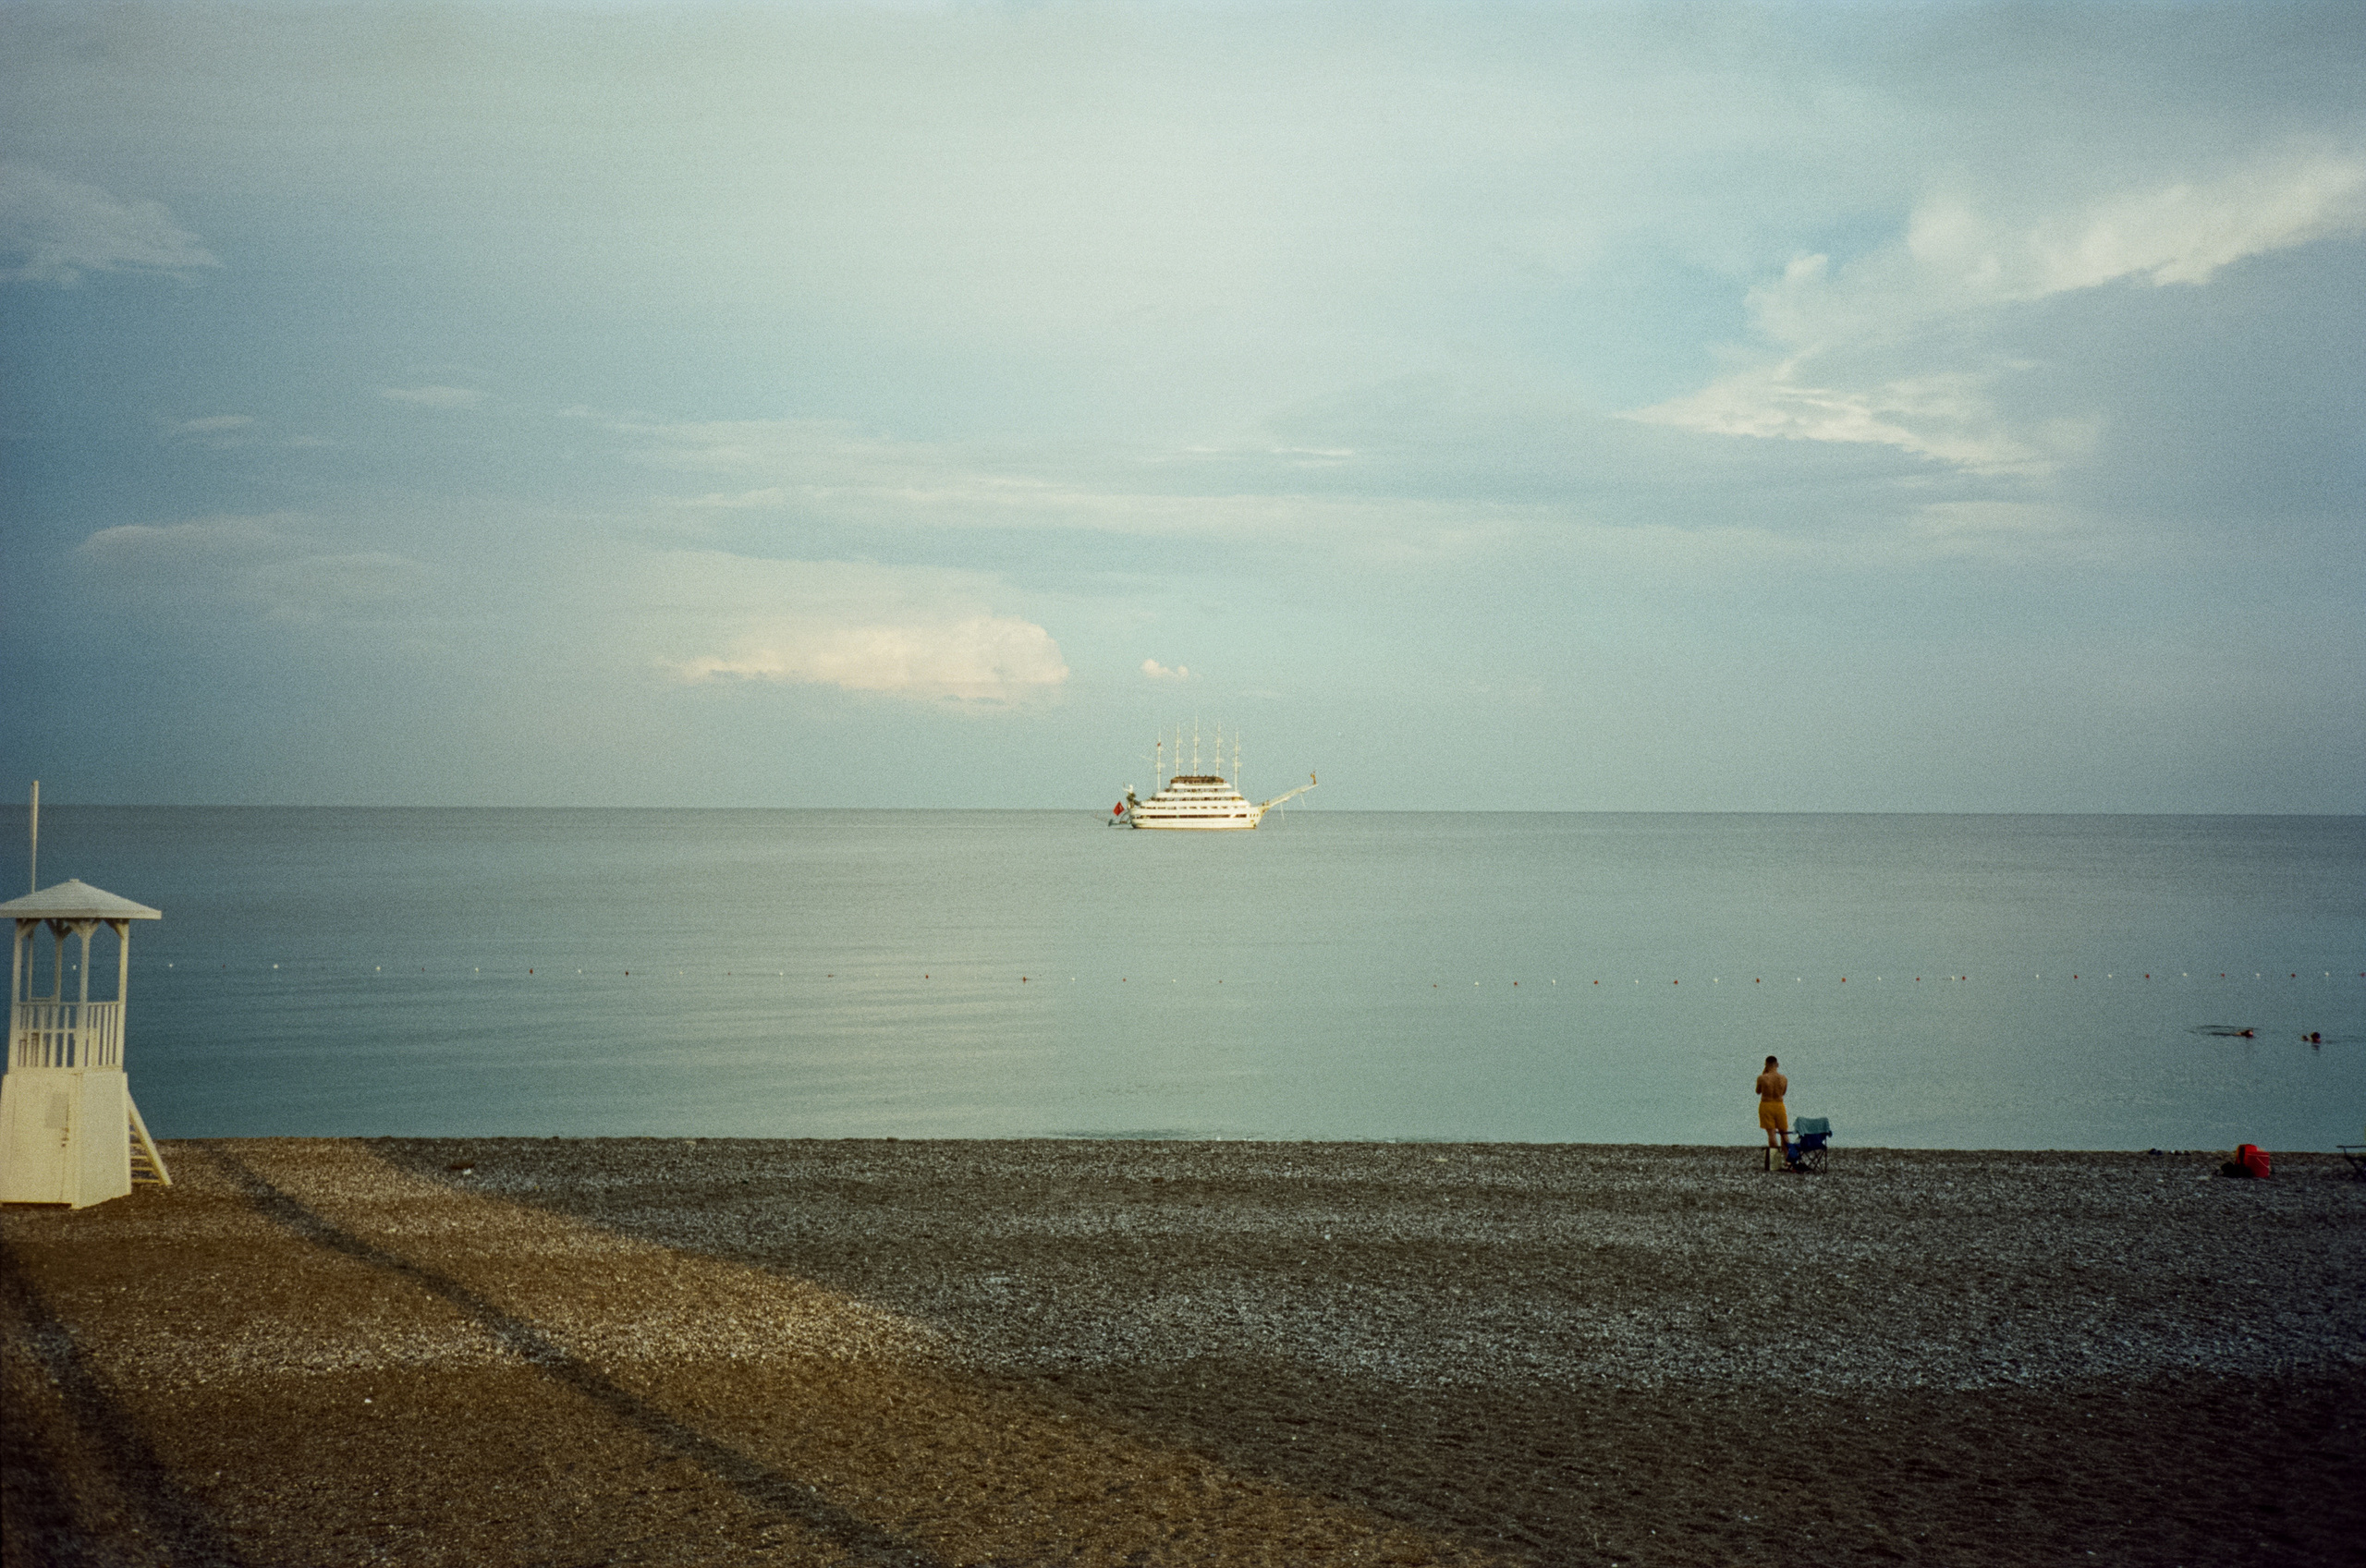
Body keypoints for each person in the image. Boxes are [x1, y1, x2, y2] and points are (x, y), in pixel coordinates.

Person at [1756, 1055, 1789, 1152]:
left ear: (1766, 1065)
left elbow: (1758, 1091)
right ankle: (1787, 1160)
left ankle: (1775, 1160)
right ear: (1777, 1065)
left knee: (1771, 1133)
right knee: (1784, 1133)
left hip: (1766, 1105)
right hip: (1779, 1105)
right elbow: (1783, 1093)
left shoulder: (1762, 1078)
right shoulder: (1783, 1078)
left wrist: (1764, 1073)